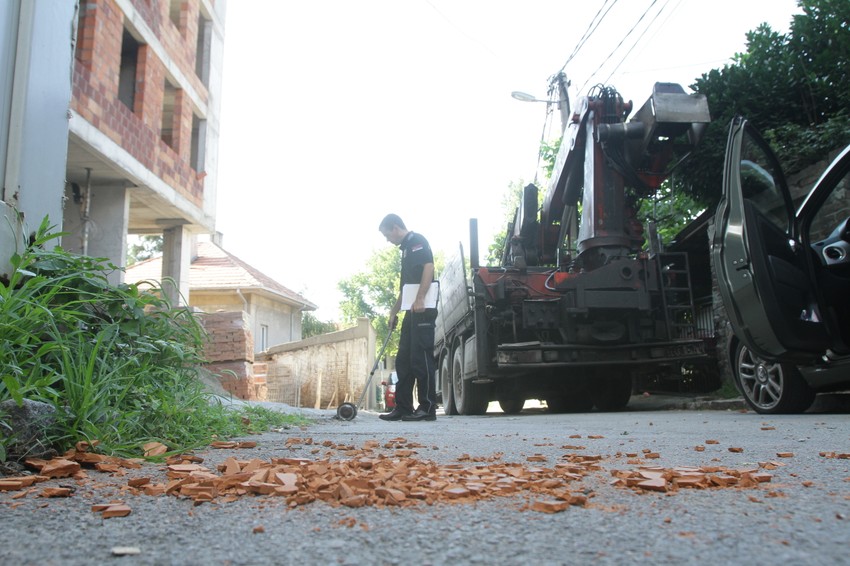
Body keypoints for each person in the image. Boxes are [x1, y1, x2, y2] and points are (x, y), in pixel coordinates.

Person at [377, 214, 438, 422]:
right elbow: (406, 289)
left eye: (387, 235)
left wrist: (420, 298)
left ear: (395, 228)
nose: (388, 240)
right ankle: (403, 407)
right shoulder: (405, 251)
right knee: (404, 359)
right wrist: (394, 312)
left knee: (421, 358)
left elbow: (429, 267)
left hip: (423, 309)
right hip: (410, 310)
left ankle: (427, 407)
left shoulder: (417, 242)